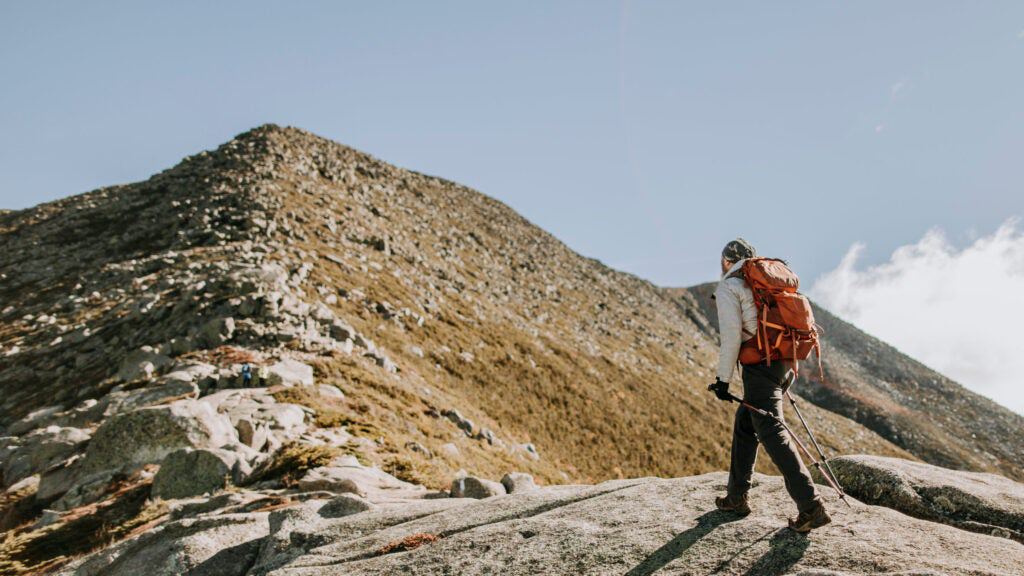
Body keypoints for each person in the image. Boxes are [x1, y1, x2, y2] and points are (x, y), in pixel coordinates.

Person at [707, 238, 831, 533]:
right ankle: (736, 496)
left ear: (727, 261)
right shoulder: (766, 282)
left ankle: (811, 506)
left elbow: (732, 337)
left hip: (760, 366)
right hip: (784, 362)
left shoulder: (730, 287)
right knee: (746, 423)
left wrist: (722, 380)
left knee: (772, 431)